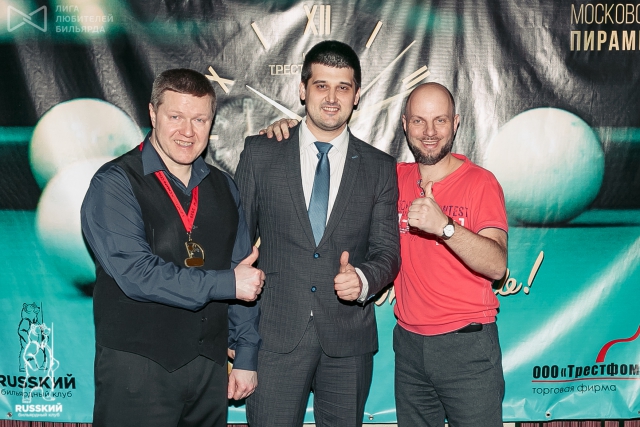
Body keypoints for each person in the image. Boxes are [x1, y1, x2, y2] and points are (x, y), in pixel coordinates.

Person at [263, 82, 508, 426]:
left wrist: (445, 227)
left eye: (440, 120)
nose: (429, 132)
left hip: (466, 344)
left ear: (455, 124)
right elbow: (332, 155)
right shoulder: (391, 177)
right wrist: (292, 132)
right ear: (404, 124)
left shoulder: (481, 182)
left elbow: (497, 266)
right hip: (409, 346)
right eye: (419, 121)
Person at [81, 68, 265, 427]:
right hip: (137, 372)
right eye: (176, 117)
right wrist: (227, 283)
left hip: (209, 371)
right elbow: (137, 274)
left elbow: (244, 269)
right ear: (153, 114)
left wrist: (246, 353)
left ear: (211, 122)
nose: (188, 131)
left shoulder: (224, 187)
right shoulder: (114, 183)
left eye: (199, 119)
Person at [234, 40, 401, 427]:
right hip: (274, 336)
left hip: (348, 341)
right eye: (321, 85)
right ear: (302, 90)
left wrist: (362, 279)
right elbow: (236, 249)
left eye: (343, 87)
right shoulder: (261, 153)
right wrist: (239, 337)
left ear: (356, 95)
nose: (331, 98)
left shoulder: (379, 167)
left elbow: (387, 252)